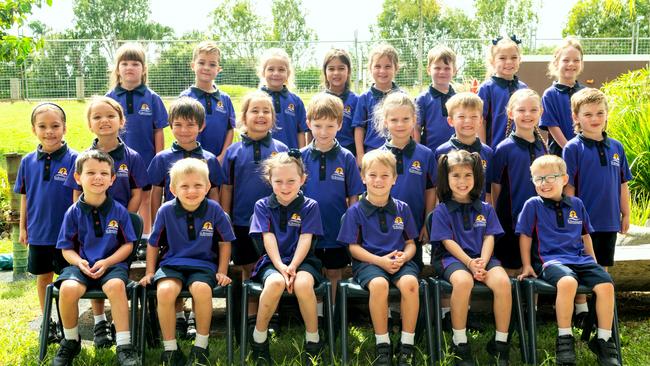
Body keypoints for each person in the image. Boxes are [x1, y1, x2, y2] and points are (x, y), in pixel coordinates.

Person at [517, 155, 620, 366]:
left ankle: (603, 340)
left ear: (564, 179)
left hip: (581, 260)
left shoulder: (576, 204)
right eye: (538, 179)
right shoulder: (532, 205)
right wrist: (527, 265)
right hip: (551, 261)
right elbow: (525, 236)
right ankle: (565, 338)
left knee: (606, 285)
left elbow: (585, 236)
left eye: (550, 177)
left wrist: (594, 262)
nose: (544, 183)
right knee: (568, 283)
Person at [64, 96, 148, 348]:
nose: (104, 121)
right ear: (90, 124)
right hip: (89, 226)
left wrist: (122, 218)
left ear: (121, 121)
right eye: (97, 117)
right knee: (91, 261)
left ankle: (121, 334)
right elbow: (76, 193)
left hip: (118, 226)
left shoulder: (132, 157)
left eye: (110, 116)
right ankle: (99, 320)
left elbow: (137, 193)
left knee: (111, 274)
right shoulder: (83, 158)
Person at [140, 158, 235, 366]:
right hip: (172, 264)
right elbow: (153, 244)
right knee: (165, 292)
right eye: (184, 186)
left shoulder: (215, 210)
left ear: (208, 186)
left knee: (201, 289)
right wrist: (149, 271)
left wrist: (222, 270)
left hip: (203, 265)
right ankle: (170, 348)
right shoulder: (165, 210)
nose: (192, 191)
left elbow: (225, 242)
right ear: (173, 189)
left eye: (198, 185)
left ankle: (201, 345)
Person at [147, 97, 226, 339]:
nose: (184, 130)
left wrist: (215, 223)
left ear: (201, 127)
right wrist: (154, 226)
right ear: (170, 125)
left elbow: (215, 195)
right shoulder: (162, 158)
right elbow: (155, 193)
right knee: (174, 274)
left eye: (191, 125)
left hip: (203, 229)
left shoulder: (210, 159)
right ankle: (179, 317)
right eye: (178, 124)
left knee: (198, 279)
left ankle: (194, 318)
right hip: (172, 228)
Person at [53, 150, 139, 366]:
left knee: (116, 287)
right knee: (68, 289)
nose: (97, 177)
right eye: (90, 172)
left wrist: (108, 262)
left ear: (112, 180)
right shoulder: (72, 212)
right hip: (80, 265)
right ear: (77, 177)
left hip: (112, 265)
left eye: (103, 173)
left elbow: (128, 245)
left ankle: (124, 344)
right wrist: (79, 262)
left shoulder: (119, 211)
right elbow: (66, 249)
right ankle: (71, 341)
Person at [338, 150, 420, 366]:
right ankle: (382, 343)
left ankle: (407, 345)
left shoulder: (402, 208)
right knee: (379, 285)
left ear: (394, 179)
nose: (378, 180)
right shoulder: (355, 212)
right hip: (369, 263)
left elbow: (411, 243)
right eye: (372, 175)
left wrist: (404, 257)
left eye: (385, 175)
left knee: (411, 284)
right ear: (363, 177)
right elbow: (353, 248)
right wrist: (380, 261)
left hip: (399, 262)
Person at [429, 150, 511, 366]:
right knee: (463, 282)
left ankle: (501, 344)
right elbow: (447, 242)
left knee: (503, 282)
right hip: (452, 259)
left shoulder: (485, 208)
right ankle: (460, 342)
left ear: (476, 178)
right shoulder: (442, 211)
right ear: (446, 179)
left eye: (467, 175)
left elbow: (489, 237)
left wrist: (482, 261)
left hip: (482, 257)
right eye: (455, 176)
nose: (462, 181)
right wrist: (469, 263)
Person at [563, 88, 632, 328]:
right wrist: (573, 219)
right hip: (583, 223)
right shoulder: (572, 148)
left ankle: (597, 311)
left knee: (601, 265)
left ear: (606, 114)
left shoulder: (617, 147)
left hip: (609, 220)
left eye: (600, 113)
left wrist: (626, 213)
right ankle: (580, 309)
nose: (595, 119)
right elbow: (568, 188)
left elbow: (623, 184)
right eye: (588, 114)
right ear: (576, 117)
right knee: (581, 263)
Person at [248, 151, 325, 365]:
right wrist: (281, 266)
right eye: (278, 181)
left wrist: (293, 266)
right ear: (269, 181)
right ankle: (259, 339)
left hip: (304, 261)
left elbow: (305, 239)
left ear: (302, 179)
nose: (285, 186)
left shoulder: (310, 206)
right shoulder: (262, 206)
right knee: (274, 283)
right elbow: (268, 239)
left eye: (291, 181)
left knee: (302, 285)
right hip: (273, 261)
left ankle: (313, 340)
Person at [221, 91, 288, 323]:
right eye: (255, 111)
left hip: (275, 224)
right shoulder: (233, 152)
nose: (261, 115)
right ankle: (251, 317)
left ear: (273, 117)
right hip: (241, 222)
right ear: (244, 117)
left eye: (266, 111)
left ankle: (273, 316)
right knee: (248, 270)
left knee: (274, 269)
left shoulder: (281, 149)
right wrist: (226, 217)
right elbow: (227, 188)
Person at [15, 103, 78, 344]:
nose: (49, 131)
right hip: (39, 232)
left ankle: (66, 323)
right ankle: (47, 321)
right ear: (34, 130)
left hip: (66, 236)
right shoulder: (27, 161)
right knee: (44, 279)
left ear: (65, 128)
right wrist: (23, 227)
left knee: (67, 280)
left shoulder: (75, 159)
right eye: (42, 126)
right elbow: (25, 195)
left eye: (55, 126)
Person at [300, 93, 364, 307]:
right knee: (312, 269)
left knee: (335, 271)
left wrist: (353, 225)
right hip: (308, 228)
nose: (323, 132)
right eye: (318, 126)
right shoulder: (299, 157)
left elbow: (354, 195)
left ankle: (333, 309)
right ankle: (317, 311)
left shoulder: (346, 157)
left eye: (329, 126)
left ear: (339, 124)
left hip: (337, 225)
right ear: (308, 124)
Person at [106, 42, 167, 248]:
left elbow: (158, 130)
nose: (130, 68)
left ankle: (146, 237)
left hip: (147, 159)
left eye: (135, 63)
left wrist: (159, 159)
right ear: (117, 69)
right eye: (124, 63)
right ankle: (118, 236)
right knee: (120, 197)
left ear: (143, 69)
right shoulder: (110, 99)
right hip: (118, 159)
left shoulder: (152, 98)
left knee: (146, 199)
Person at [375, 92, 436, 269]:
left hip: (414, 230)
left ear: (414, 120)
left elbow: (430, 190)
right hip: (382, 232)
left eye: (405, 119)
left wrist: (427, 221)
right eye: (394, 120)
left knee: (411, 277)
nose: (400, 124)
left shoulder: (425, 154)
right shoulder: (378, 156)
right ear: (385, 121)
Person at [491, 89, 548, 276]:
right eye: (521, 110)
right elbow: (495, 189)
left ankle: (534, 307)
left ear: (541, 112)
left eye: (533, 110)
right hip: (510, 223)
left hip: (539, 222)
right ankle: (511, 305)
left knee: (535, 268)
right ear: (510, 113)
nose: (527, 115)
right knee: (512, 268)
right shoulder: (503, 149)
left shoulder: (543, 147)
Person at [180, 40, 236, 162]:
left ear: (218, 69)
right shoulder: (185, 97)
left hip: (219, 160)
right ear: (193, 65)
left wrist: (222, 156)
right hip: (192, 160)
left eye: (212, 64)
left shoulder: (225, 99)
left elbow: (230, 129)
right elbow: (180, 129)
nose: (206, 68)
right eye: (201, 62)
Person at [435, 92, 494, 203]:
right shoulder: (441, 152)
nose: (468, 121)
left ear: (481, 121)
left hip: (479, 217)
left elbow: (489, 192)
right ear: (450, 121)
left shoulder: (488, 153)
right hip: (449, 216)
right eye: (461, 116)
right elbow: (438, 189)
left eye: (474, 116)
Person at [352, 44, 403, 165]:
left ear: (396, 68)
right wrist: (360, 155)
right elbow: (359, 128)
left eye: (387, 66)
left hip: (398, 152)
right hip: (372, 153)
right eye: (377, 66)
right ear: (370, 68)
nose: (382, 71)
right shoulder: (364, 97)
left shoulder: (402, 97)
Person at [477, 35, 528, 149]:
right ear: (492, 61)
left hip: (520, 150)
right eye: (502, 58)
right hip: (494, 150)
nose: (509, 62)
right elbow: (480, 121)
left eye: (514, 57)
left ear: (520, 60)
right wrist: (483, 149)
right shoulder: (486, 88)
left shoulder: (523, 88)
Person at [540, 37, 586, 156]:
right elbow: (552, 126)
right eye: (566, 60)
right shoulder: (549, 95)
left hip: (585, 153)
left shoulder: (586, 93)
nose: (571, 64)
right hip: (560, 155)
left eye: (576, 60)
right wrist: (570, 150)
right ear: (556, 62)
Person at [258, 48, 308, 149]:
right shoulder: (256, 99)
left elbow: (301, 132)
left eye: (281, 70)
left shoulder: (296, 101)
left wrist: (300, 156)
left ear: (288, 73)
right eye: (271, 69)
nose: (276, 73)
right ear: (263, 72)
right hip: (264, 158)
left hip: (289, 158)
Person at [414, 45, 457, 152]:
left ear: (454, 71)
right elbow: (416, 128)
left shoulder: (458, 99)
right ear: (429, 70)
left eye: (447, 68)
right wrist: (417, 152)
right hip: (430, 153)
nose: (442, 72)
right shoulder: (422, 99)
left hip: (456, 155)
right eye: (437, 68)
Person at [322, 48, 358, 155]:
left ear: (349, 71)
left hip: (350, 151)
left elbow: (359, 131)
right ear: (325, 72)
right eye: (331, 69)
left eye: (341, 68)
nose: (336, 73)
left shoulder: (356, 100)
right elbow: (310, 131)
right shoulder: (319, 100)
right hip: (324, 150)